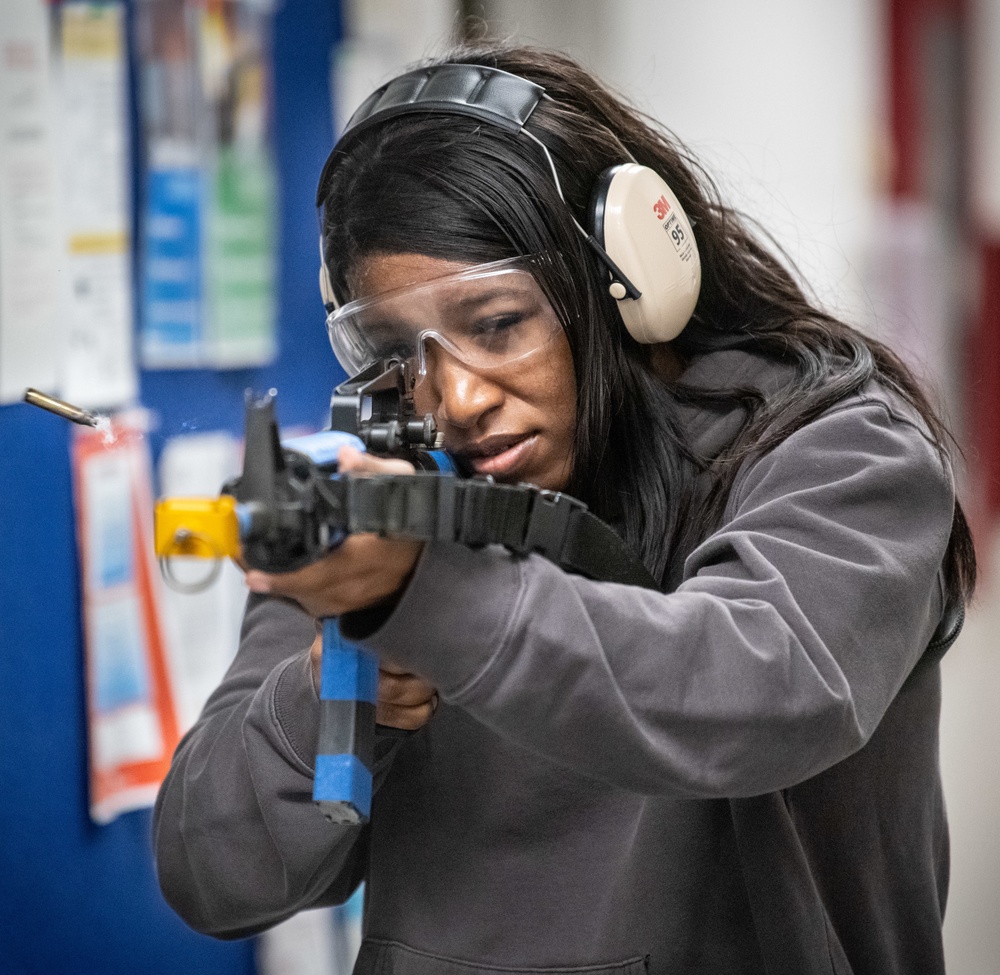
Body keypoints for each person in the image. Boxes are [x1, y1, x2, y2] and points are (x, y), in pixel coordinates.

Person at [153, 43, 977, 975]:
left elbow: (754, 694)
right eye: (396, 348)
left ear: (625, 276)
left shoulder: (837, 452)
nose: (455, 398)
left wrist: (428, 591)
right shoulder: (375, 489)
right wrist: (327, 698)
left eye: (498, 324)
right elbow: (208, 874)